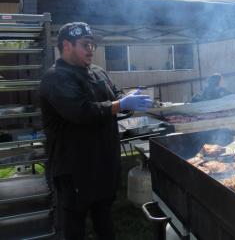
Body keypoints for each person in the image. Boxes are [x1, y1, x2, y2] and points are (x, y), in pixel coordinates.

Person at [39, 22, 152, 240]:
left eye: (93, 44)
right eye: (85, 44)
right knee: (75, 223)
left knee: (104, 217)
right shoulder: (55, 78)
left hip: (103, 163)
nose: (91, 49)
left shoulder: (98, 72)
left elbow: (114, 98)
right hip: (74, 169)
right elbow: (81, 112)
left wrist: (127, 99)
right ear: (66, 45)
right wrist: (120, 104)